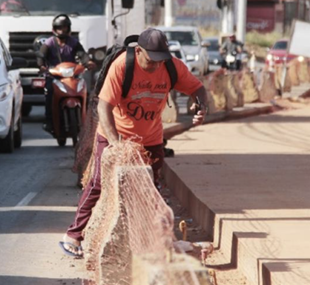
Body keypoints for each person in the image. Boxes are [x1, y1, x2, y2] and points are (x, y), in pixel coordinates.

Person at [58, 28, 209, 258]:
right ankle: (73, 235)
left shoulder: (172, 67)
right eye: (151, 60)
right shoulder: (122, 66)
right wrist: (117, 144)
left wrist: (200, 106)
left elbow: (198, 89)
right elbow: (104, 107)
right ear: (139, 51)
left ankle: (156, 242)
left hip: (150, 139)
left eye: (161, 60)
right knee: (98, 184)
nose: (156, 66)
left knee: (152, 188)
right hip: (114, 134)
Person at [37, 14, 95, 133]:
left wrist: (88, 62)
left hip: (72, 76)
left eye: (65, 27)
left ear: (69, 28)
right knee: (49, 94)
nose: (62, 30)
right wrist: (42, 66)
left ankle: (89, 120)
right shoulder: (49, 43)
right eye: (59, 28)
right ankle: (49, 121)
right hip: (54, 77)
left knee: (85, 92)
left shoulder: (74, 42)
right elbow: (41, 56)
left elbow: (82, 55)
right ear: (54, 29)